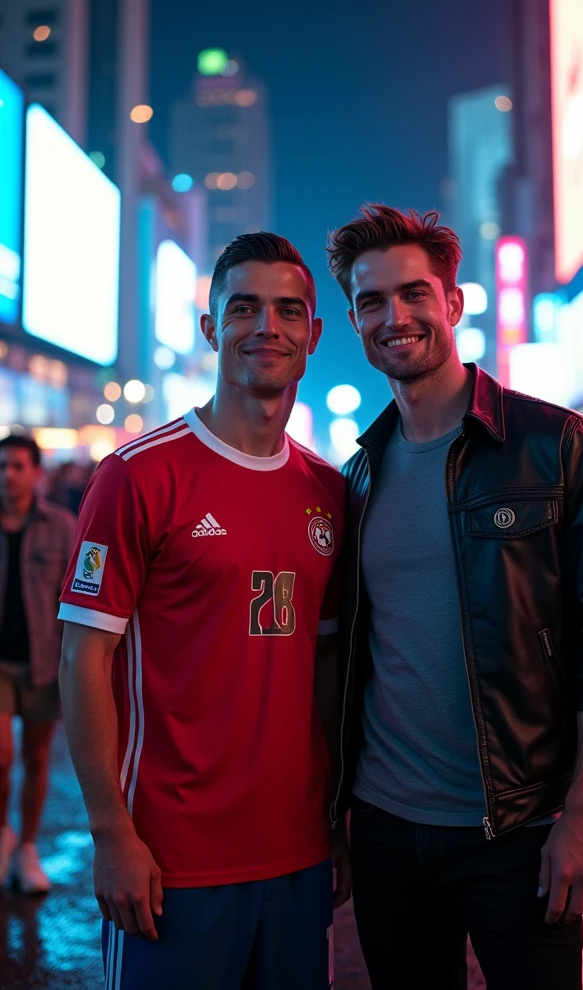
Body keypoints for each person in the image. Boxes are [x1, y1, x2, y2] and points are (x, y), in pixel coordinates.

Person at [325, 205, 583, 990]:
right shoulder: (358, 474)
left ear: (454, 302)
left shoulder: (556, 443)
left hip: (521, 828)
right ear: (354, 319)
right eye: (371, 302)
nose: (393, 318)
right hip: (388, 832)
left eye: (413, 294)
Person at [58, 233, 350, 990]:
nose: (267, 327)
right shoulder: (137, 475)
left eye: (289, 311)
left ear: (313, 334)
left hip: (299, 856)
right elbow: (81, 657)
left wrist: (338, 819)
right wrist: (110, 834)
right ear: (211, 326)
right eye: (244, 307)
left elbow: (324, 669)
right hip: (170, 862)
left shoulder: (330, 491)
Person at [0, 434, 76, 893]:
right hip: (0, 665)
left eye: (17, 466)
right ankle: (2, 833)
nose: (8, 474)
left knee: (37, 756)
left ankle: (26, 846)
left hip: (44, 662)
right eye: (3, 465)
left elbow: (75, 597)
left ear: (36, 473)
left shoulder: (61, 526)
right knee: (2, 756)